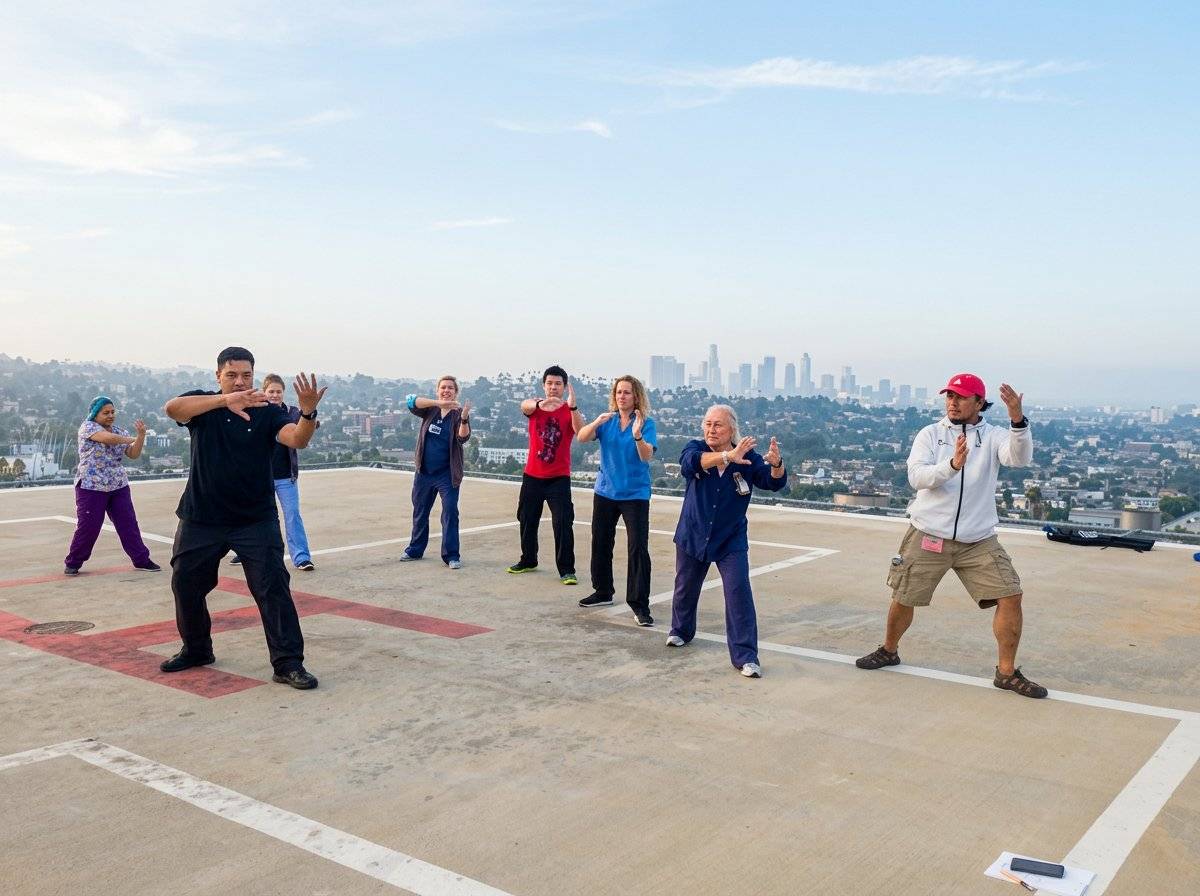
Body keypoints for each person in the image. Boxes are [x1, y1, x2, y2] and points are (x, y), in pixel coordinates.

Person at [855, 374, 1046, 698]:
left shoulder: (995, 435)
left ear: (978, 403)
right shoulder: (931, 434)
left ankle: (1006, 673)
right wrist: (953, 465)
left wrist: (1017, 421)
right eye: (949, 396)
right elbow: (917, 477)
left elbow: (1019, 458)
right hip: (930, 533)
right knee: (904, 595)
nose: (952, 402)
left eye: (960, 397)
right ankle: (889, 650)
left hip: (978, 539)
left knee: (1011, 595)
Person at [159, 347, 325, 689]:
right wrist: (224, 401)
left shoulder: (267, 411)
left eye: (246, 375)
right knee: (186, 585)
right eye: (232, 375)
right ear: (218, 375)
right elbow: (172, 408)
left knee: (273, 589)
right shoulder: (203, 405)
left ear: (254, 375)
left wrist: (307, 413)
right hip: (201, 517)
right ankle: (196, 649)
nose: (240, 381)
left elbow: (296, 439)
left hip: (255, 519)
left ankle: (288, 663)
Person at [666, 405, 787, 678]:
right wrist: (726, 456)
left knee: (738, 591)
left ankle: (746, 656)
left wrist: (777, 465)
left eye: (717, 425)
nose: (711, 429)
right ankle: (680, 630)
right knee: (685, 586)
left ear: (732, 429)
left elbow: (771, 482)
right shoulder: (694, 447)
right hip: (693, 532)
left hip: (730, 538)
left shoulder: (748, 458)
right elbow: (690, 464)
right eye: (708, 424)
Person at [576, 375, 657, 625]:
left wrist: (637, 436)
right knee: (600, 542)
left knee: (637, 548)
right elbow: (581, 437)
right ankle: (603, 591)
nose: (622, 396)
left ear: (636, 397)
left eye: (627, 393)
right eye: (619, 392)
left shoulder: (646, 423)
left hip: (635, 494)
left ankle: (639, 605)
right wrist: (596, 421)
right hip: (605, 492)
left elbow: (647, 456)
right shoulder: (607, 421)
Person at [63, 396, 160, 576]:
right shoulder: (88, 427)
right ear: (95, 413)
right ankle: (74, 562)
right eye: (105, 412)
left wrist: (140, 437)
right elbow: (108, 439)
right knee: (89, 526)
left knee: (128, 524)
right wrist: (130, 437)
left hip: (118, 485)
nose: (110, 415)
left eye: (112, 412)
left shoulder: (119, 431)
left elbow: (133, 454)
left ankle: (141, 559)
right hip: (91, 486)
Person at [507, 365, 583, 584]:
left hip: (558, 478)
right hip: (532, 475)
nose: (553, 387)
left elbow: (581, 432)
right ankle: (528, 559)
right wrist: (541, 403)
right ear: (543, 385)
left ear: (565, 387)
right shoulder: (535, 406)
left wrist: (573, 406)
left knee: (562, 522)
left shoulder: (570, 411)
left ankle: (567, 569)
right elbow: (525, 406)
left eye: (558, 384)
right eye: (549, 383)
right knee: (527, 519)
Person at [400, 375, 471, 569]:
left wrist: (464, 418)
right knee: (420, 511)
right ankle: (415, 549)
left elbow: (463, 438)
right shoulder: (430, 410)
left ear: (456, 392)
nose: (447, 390)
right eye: (443, 387)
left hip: (447, 475)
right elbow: (410, 400)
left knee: (450, 511)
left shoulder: (457, 415)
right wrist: (439, 403)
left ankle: (451, 555)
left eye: (450, 388)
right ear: (438, 390)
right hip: (424, 472)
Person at [263, 373, 318, 572]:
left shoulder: (293, 413)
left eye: (278, 392)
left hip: (286, 476)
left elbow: (307, 425)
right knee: (257, 517)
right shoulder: (257, 413)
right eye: (271, 391)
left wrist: (310, 412)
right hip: (261, 477)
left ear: (284, 394)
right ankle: (245, 552)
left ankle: (301, 557)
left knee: (293, 515)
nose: (275, 395)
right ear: (264, 392)